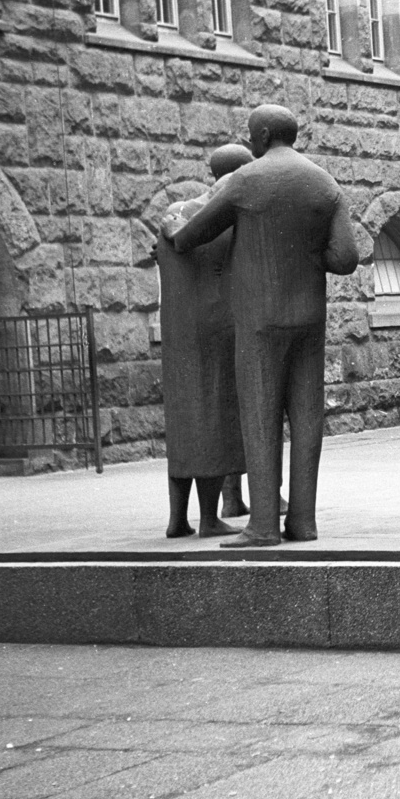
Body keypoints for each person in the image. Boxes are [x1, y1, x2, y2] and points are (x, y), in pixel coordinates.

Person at [169, 105, 358, 547]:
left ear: (265, 134)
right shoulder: (323, 183)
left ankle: (264, 525)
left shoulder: (246, 180)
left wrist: (174, 226)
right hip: (309, 316)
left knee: (260, 414)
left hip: (258, 320)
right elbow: (346, 258)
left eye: (253, 135)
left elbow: (190, 235)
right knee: (307, 416)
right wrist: (309, 256)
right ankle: (304, 522)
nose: (250, 142)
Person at [152, 144, 253, 539]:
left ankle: (178, 519)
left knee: (183, 424)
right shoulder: (227, 224)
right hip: (216, 331)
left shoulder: (176, 212)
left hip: (178, 336)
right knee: (214, 421)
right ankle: (209, 519)